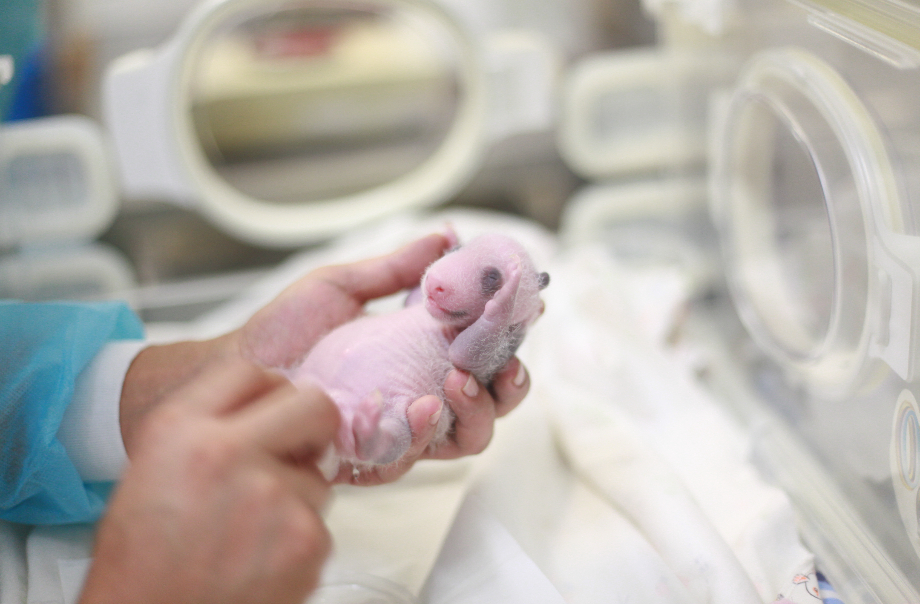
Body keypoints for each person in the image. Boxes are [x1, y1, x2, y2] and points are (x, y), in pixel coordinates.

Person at [0, 232, 531, 604]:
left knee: (395, 426)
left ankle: (367, 433)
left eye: (486, 280)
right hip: (324, 383)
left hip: (356, 397)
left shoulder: (471, 325)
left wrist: (223, 374)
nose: (441, 282)